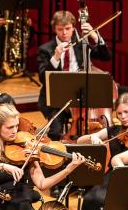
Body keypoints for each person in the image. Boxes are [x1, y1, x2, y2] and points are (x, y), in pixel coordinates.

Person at [37, 10, 112, 139]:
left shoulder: (82, 43)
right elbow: (43, 79)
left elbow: (106, 56)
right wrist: (55, 57)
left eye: (67, 28)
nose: (64, 33)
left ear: (73, 27)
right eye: (60, 29)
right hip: (57, 98)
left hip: (81, 94)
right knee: (55, 132)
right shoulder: (46, 49)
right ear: (54, 29)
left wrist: (95, 37)